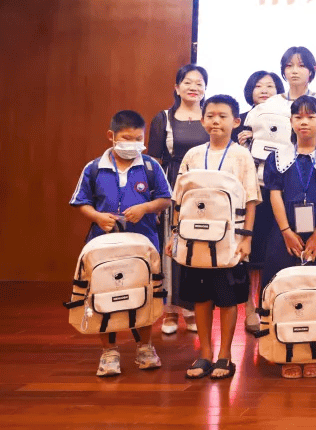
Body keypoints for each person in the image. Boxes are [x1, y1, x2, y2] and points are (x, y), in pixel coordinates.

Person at [69, 110, 172, 377]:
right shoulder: (94, 168)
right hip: (104, 245)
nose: (133, 144)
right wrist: (97, 217)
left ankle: (145, 347)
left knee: (143, 292)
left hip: (143, 244)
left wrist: (145, 208)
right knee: (104, 293)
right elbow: (81, 202)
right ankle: (109, 352)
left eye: (138, 139)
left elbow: (165, 199)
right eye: (126, 138)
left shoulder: (150, 167)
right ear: (111, 136)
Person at [169, 94, 259, 380]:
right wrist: (174, 234)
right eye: (210, 115)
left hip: (230, 237)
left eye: (222, 116)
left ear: (236, 121)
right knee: (201, 297)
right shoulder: (193, 155)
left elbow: (251, 199)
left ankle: (225, 355)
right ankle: (205, 353)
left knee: (227, 297)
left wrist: (247, 237)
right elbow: (179, 199)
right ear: (202, 119)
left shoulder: (242, 155)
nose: (215, 121)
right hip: (194, 238)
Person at [263, 95, 316, 379]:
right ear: (290, 121)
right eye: (298, 117)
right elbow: (274, 195)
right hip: (284, 235)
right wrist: (286, 231)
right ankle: (286, 352)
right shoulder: (277, 157)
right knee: (286, 291)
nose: (304, 122)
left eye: (311, 117)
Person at [148, 64, 210, 335]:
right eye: (187, 82)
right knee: (173, 247)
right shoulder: (163, 118)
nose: (193, 87)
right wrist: (156, 199)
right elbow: (153, 161)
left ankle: (192, 310)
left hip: (206, 190)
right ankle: (171, 311)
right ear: (177, 87)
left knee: (198, 247)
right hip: (174, 188)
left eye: (199, 83)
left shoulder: (211, 116)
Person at [234, 70, 284, 333]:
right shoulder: (240, 120)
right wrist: (241, 142)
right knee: (248, 254)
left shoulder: (288, 118)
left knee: (269, 253)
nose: (264, 90)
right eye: (258, 86)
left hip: (276, 192)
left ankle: (269, 305)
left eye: (270, 86)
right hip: (246, 195)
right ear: (250, 90)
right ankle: (249, 307)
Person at [274, 46, 316, 143]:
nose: (294, 71)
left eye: (301, 66)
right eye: (289, 66)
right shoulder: (273, 102)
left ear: (312, 70)